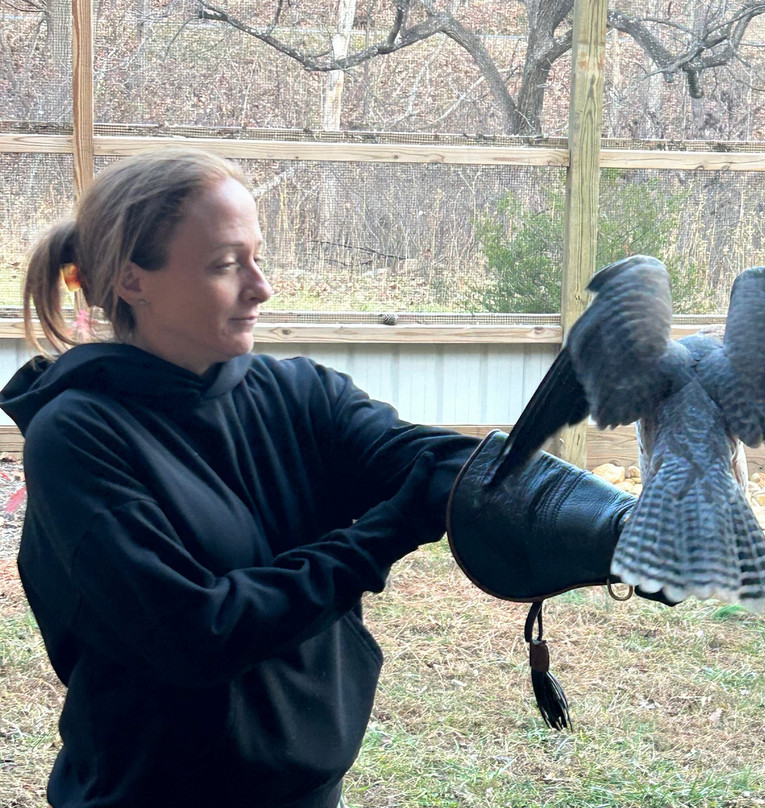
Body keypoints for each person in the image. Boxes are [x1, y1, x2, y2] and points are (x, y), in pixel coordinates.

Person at [1, 148, 637, 807]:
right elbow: (197, 632)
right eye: (226, 264)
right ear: (133, 282)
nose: (261, 287)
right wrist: (383, 535)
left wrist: (622, 529)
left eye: (257, 256)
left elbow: (434, 467)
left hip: (307, 791)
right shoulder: (77, 438)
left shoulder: (299, 393)